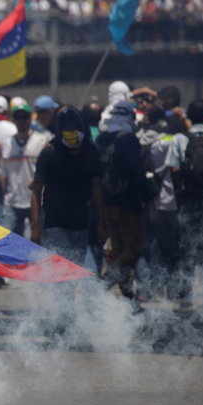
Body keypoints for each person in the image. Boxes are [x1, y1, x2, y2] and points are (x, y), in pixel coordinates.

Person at [31, 107, 106, 271]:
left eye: (74, 128)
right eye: (66, 129)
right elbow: (36, 191)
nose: (70, 132)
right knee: (61, 273)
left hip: (81, 224)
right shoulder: (49, 153)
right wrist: (35, 225)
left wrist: (101, 222)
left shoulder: (90, 152)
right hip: (55, 224)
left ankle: (67, 298)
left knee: (74, 272)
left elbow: (96, 188)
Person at [96, 100, 150, 305]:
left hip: (106, 203)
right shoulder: (128, 139)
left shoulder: (102, 137)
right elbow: (137, 171)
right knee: (134, 250)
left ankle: (130, 301)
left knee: (119, 251)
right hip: (128, 204)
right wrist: (147, 196)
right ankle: (105, 280)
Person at [172, 98, 203, 308]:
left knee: (188, 248)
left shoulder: (180, 139)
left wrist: (179, 190)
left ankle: (186, 296)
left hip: (189, 200)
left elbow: (174, 169)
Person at [137, 105, 182, 300]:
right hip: (167, 201)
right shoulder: (169, 141)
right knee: (168, 250)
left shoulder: (140, 140)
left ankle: (145, 290)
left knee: (146, 248)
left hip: (146, 200)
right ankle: (171, 290)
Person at [0, 103, 48, 238]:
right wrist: (3, 198)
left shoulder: (42, 140)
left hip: (37, 202)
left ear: (30, 119)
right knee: (7, 241)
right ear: (13, 120)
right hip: (13, 202)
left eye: (25, 117)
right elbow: (3, 175)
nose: (21, 121)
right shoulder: (7, 144)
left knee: (35, 241)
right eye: (18, 117)